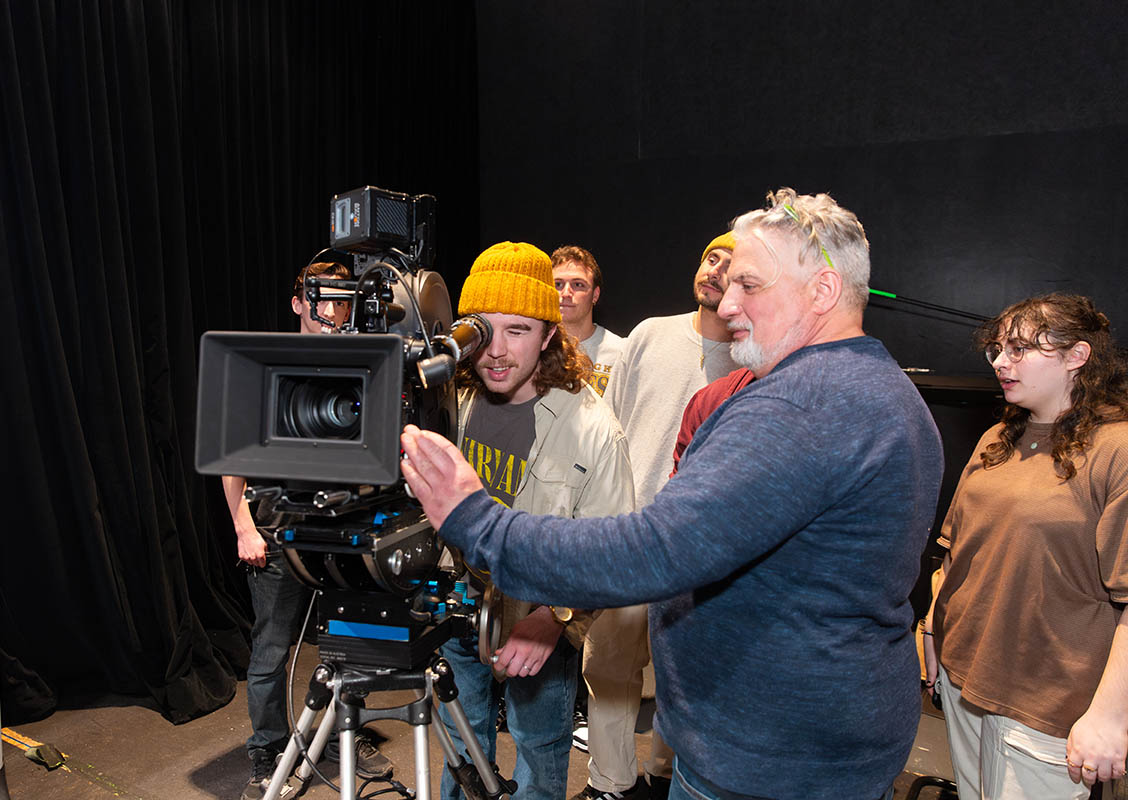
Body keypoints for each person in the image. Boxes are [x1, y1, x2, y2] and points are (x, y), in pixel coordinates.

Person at [400, 188, 944, 800]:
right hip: (791, 744)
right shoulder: (876, 387)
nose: (728, 302)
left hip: (773, 763)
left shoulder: (804, 406)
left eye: (750, 285)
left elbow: (652, 550)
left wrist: (475, 519)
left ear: (821, 291)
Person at [438, 241, 634, 800]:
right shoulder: (455, 401)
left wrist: (554, 619)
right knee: (459, 738)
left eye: (518, 330)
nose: (496, 352)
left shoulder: (594, 429)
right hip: (457, 603)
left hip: (539, 615)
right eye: (484, 330)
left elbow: (610, 552)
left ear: (550, 334)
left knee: (537, 747)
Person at [924, 293, 1128, 799]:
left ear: (1077, 356)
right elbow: (956, 551)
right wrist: (930, 625)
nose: (999, 361)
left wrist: (1108, 717)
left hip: (1046, 705)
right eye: (996, 349)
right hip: (964, 677)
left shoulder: (1117, 448)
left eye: (1018, 349)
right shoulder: (997, 437)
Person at [575, 231, 740, 800]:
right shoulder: (649, 334)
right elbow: (607, 423)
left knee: (684, 678)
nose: (715, 269)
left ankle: (667, 777)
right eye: (709, 256)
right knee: (609, 669)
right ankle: (610, 783)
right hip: (629, 532)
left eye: (731, 263)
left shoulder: (753, 357)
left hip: (697, 549)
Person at [225, 261, 392, 800]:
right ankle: (267, 749)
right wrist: (242, 526)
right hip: (275, 531)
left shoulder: (359, 365)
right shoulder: (265, 365)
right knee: (273, 646)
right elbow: (232, 454)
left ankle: (343, 731)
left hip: (341, 529)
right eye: (322, 299)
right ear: (298, 303)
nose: (333, 310)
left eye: (343, 300)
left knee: (344, 641)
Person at [552, 245, 623, 396]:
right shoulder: (534, 350)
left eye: (578, 285)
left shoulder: (621, 352)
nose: (565, 293)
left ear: (595, 295)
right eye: (558, 284)